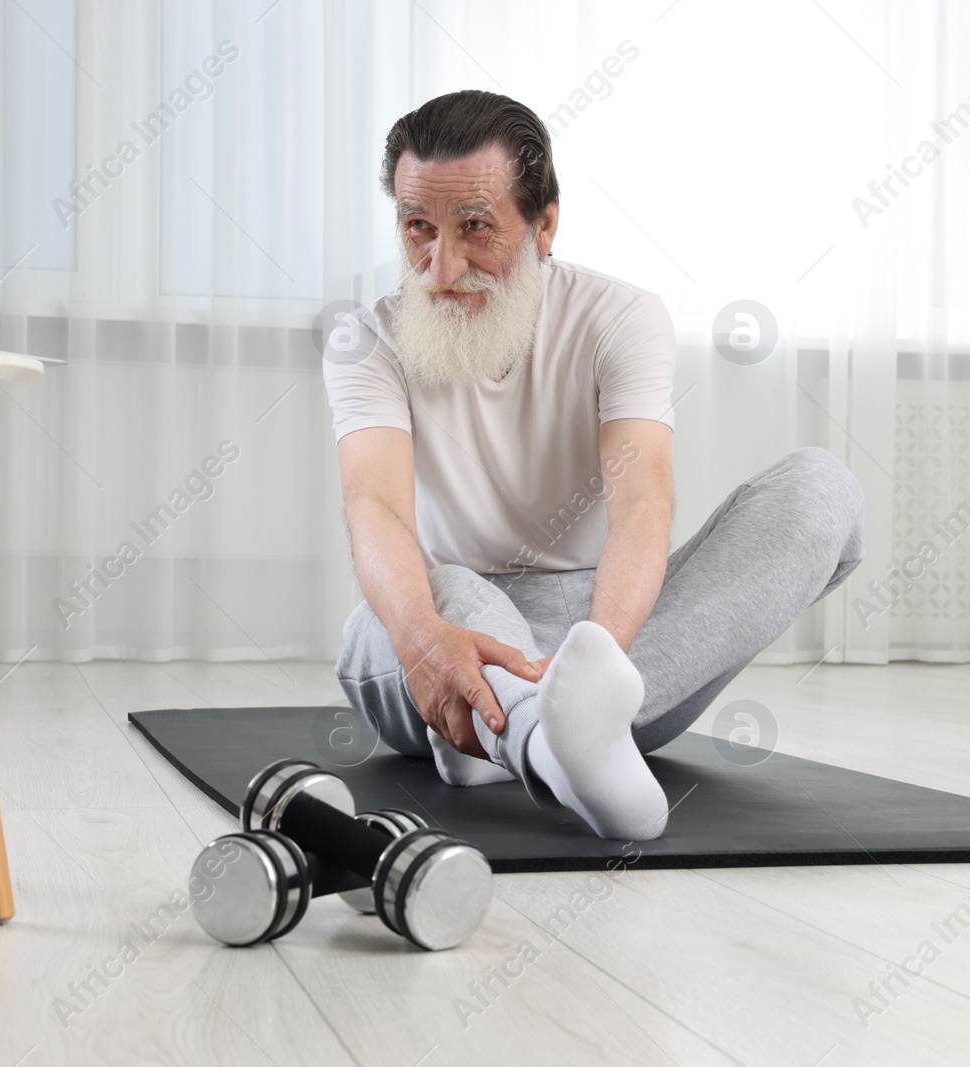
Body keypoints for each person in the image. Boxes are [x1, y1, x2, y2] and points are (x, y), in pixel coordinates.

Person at [325, 89, 864, 841]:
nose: (441, 265)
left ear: (545, 224)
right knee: (440, 587)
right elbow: (374, 507)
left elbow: (642, 501)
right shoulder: (365, 339)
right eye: (418, 228)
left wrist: (600, 663)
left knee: (823, 490)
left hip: (609, 628)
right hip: (444, 638)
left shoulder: (622, 315)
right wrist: (421, 639)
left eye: (475, 228)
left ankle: (537, 732)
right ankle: (550, 737)